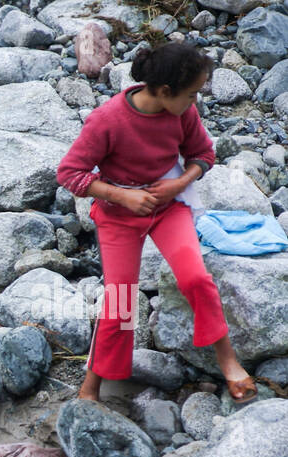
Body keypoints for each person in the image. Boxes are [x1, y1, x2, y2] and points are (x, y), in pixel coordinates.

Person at [56, 41, 256, 404]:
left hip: (168, 207)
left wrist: (179, 183)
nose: (196, 101)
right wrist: (122, 195)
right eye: (192, 94)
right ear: (165, 91)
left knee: (196, 278)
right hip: (119, 215)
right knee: (119, 299)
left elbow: (203, 154)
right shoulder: (107, 120)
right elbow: (70, 174)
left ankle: (227, 360)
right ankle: (92, 385)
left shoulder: (182, 113)